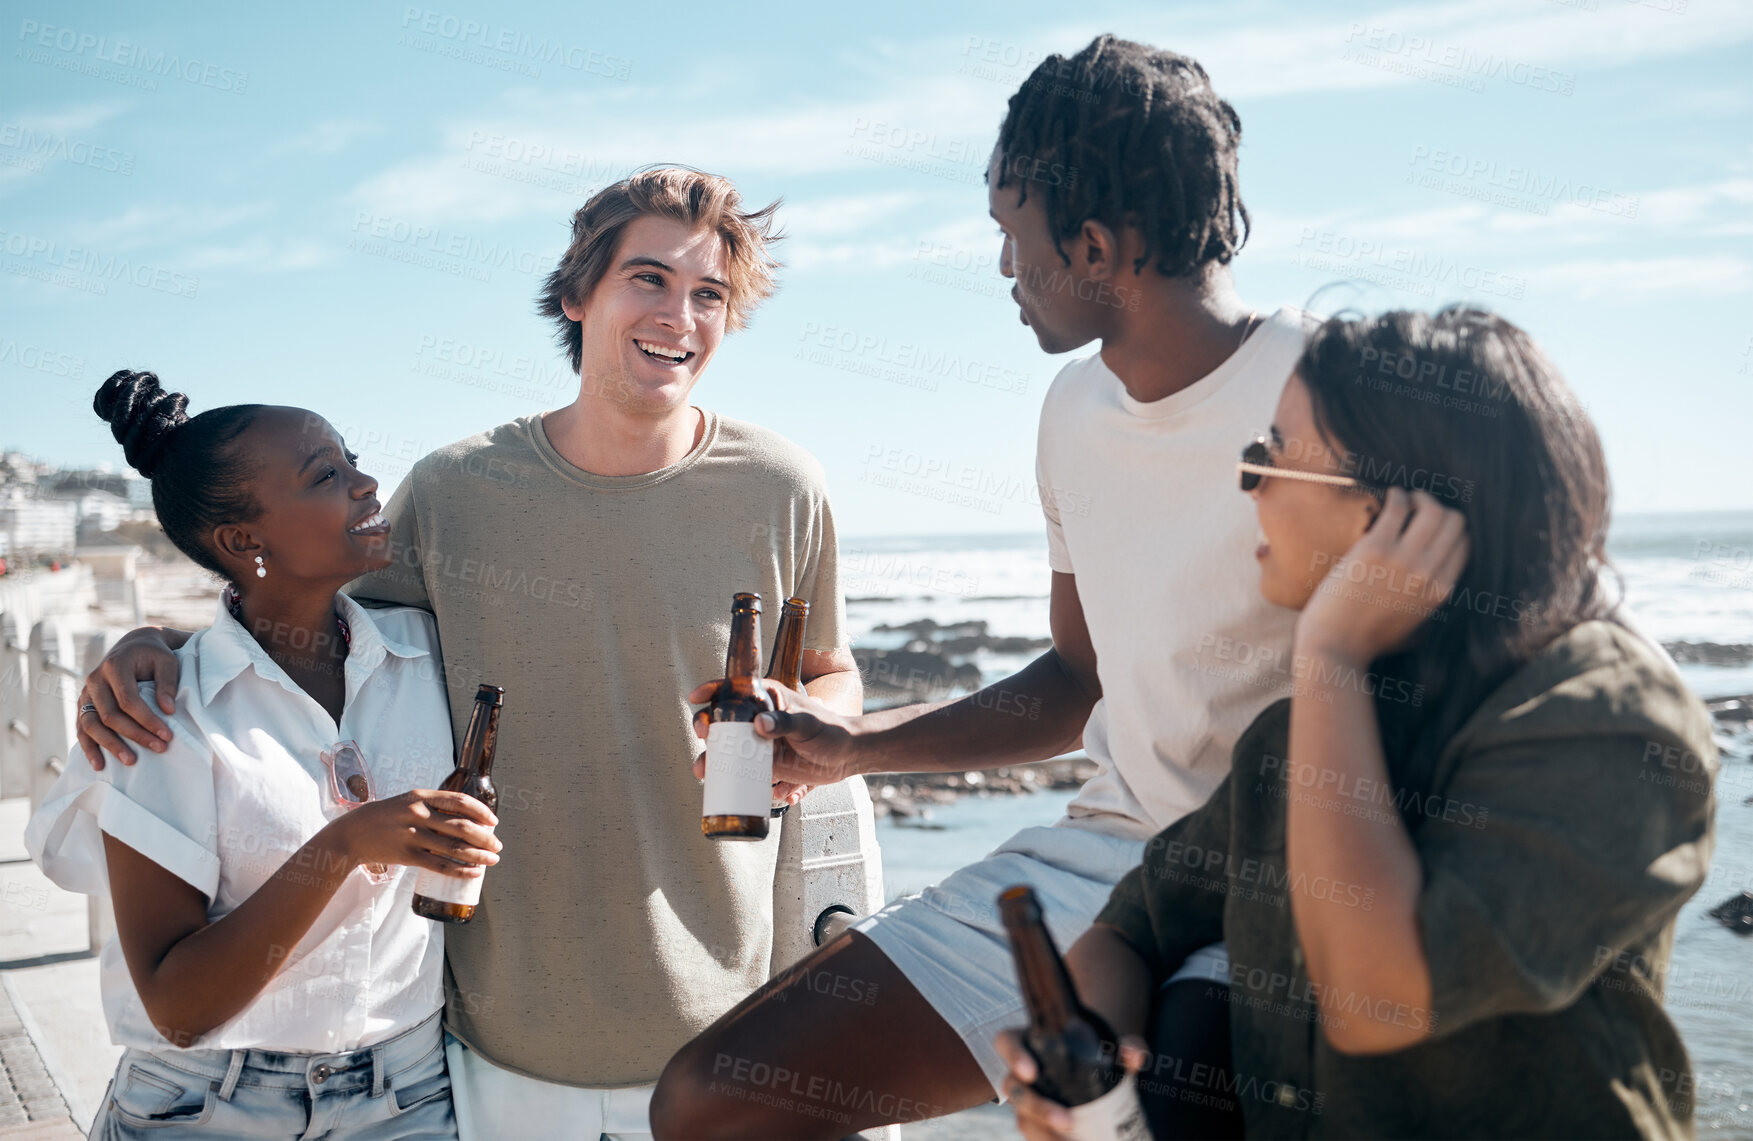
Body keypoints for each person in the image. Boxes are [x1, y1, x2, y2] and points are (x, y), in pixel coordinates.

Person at [72, 168, 862, 1140]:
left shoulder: (784, 485)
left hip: (716, 1020)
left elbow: (829, 670)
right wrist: (153, 644)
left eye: (709, 294)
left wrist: (818, 724)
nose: (680, 317)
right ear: (579, 294)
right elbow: (294, 621)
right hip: (492, 1050)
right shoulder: (452, 491)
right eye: (648, 280)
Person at [653, 36, 1320, 1138]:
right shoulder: (1073, 412)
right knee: (715, 1100)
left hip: (1299, 890)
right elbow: (1076, 679)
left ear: (1095, 244)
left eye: (1014, 237)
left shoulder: (1330, 388)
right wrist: (851, 746)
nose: (1005, 269)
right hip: (1108, 859)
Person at [999, 308, 1717, 1139]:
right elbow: (1134, 925)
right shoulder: (1304, 732)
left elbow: (1376, 1000)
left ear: (1393, 515)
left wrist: (1330, 655)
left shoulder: (1608, 721)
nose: (1247, 485)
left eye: (1269, 458)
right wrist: (1082, 1066)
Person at [28, 370, 502, 1138]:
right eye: (328, 474)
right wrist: (347, 843)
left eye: (350, 460)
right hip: (207, 1106)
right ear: (245, 540)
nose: (367, 482)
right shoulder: (159, 715)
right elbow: (178, 1007)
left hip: (408, 1095)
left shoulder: (429, 653)